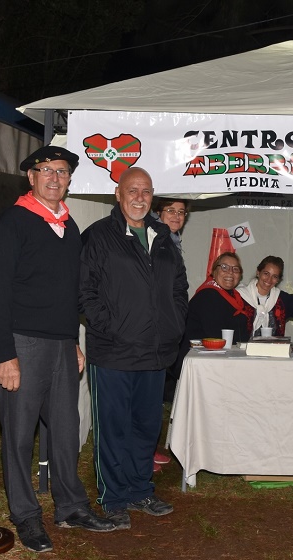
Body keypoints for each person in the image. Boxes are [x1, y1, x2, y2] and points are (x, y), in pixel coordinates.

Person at [0, 146, 115, 552]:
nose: (54, 177)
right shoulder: (13, 223)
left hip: (59, 345)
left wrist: (72, 343)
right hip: (22, 343)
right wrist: (4, 355)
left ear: (69, 179)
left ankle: (71, 506)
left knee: (65, 431)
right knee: (19, 437)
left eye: (62, 171)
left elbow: (67, 294)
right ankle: (25, 515)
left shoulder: (68, 226)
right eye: (46, 170)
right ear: (31, 177)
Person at [80, 167, 188, 531]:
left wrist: (173, 325)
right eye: (132, 190)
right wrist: (113, 328)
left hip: (156, 353)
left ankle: (141, 489)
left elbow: (178, 288)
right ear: (118, 194)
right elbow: (85, 293)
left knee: (145, 426)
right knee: (113, 428)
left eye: (145, 191)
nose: (139, 197)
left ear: (152, 196)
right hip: (113, 352)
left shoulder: (162, 236)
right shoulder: (97, 236)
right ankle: (113, 497)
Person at [153, 196, 191, 469]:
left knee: (154, 396)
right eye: (170, 211)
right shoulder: (154, 238)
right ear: (158, 213)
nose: (177, 216)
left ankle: (148, 447)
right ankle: (141, 451)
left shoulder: (173, 242)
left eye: (181, 212)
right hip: (150, 329)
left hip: (165, 329)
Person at [236, 256, 293, 337]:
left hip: (274, 351)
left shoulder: (282, 299)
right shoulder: (239, 296)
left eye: (275, 276)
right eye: (266, 273)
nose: (269, 280)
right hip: (242, 351)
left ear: (278, 280)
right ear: (258, 272)